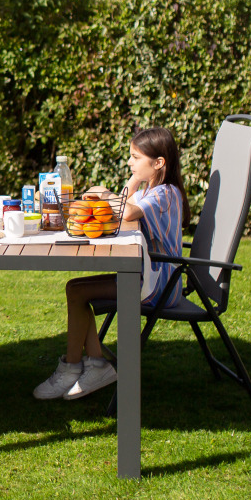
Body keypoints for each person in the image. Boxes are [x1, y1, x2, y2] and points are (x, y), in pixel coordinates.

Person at [33, 126, 190, 401]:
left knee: (78, 291)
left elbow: (125, 210)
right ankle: (92, 365)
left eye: (135, 157)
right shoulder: (153, 191)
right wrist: (133, 180)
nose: (130, 163)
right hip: (151, 275)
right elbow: (127, 204)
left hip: (161, 284)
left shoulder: (166, 194)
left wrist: (106, 194)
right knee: (75, 289)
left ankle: (78, 367)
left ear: (159, 163)